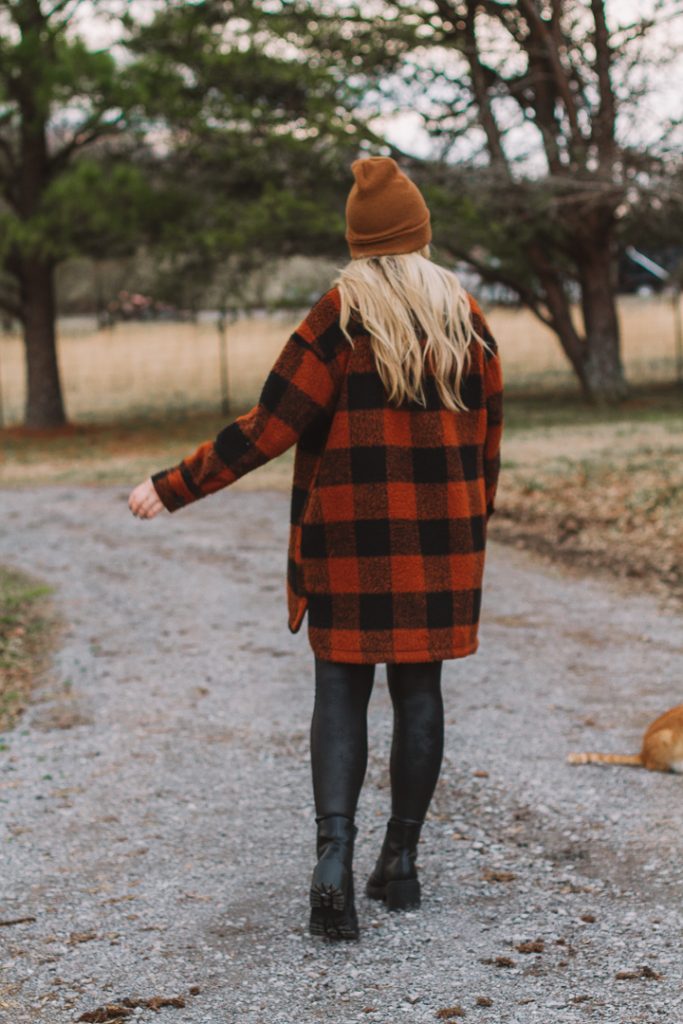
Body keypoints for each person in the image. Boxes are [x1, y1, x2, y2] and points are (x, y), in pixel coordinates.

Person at [128, 156, 504, 943]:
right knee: (419, 691)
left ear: (357, 240)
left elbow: (267, 426)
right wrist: (469, 530)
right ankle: (401, 862)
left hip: (348, 541)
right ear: (421, 233)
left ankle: (333, 861)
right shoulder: (464, 317)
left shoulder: (340, 316)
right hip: (442, 543)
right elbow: (486, 446)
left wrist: (174, 485)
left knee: (339, 689)